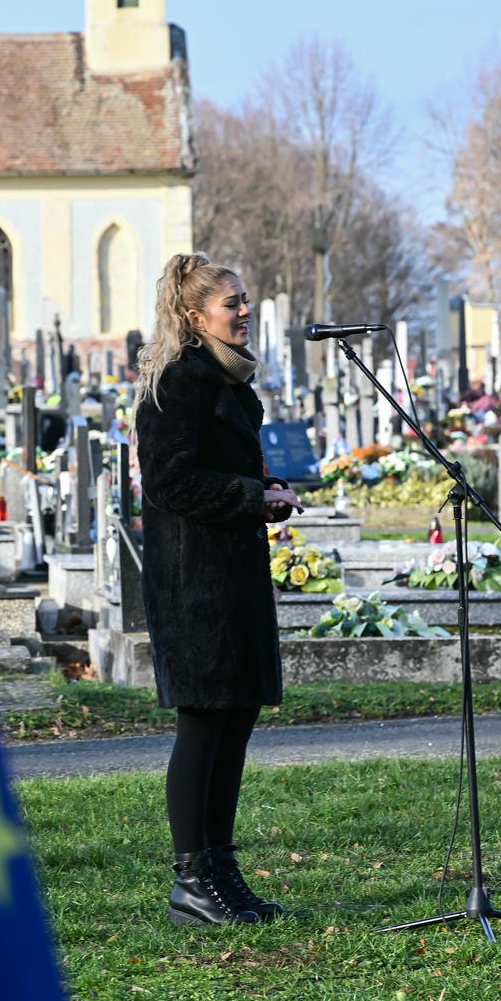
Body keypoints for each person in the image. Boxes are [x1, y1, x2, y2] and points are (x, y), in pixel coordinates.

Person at [135, 254, 303, 927]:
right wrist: (250, 497)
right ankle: (191, 879)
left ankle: (220, 869)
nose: (244, 310)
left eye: (244, 299)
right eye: (231, 302)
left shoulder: (226, 381)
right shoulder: (180, 381)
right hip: (193, 581)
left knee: (235, 718)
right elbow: (168, 482)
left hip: (229, 574)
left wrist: (265, 493)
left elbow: (217, 471)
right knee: (204, 723)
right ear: (194, 315)